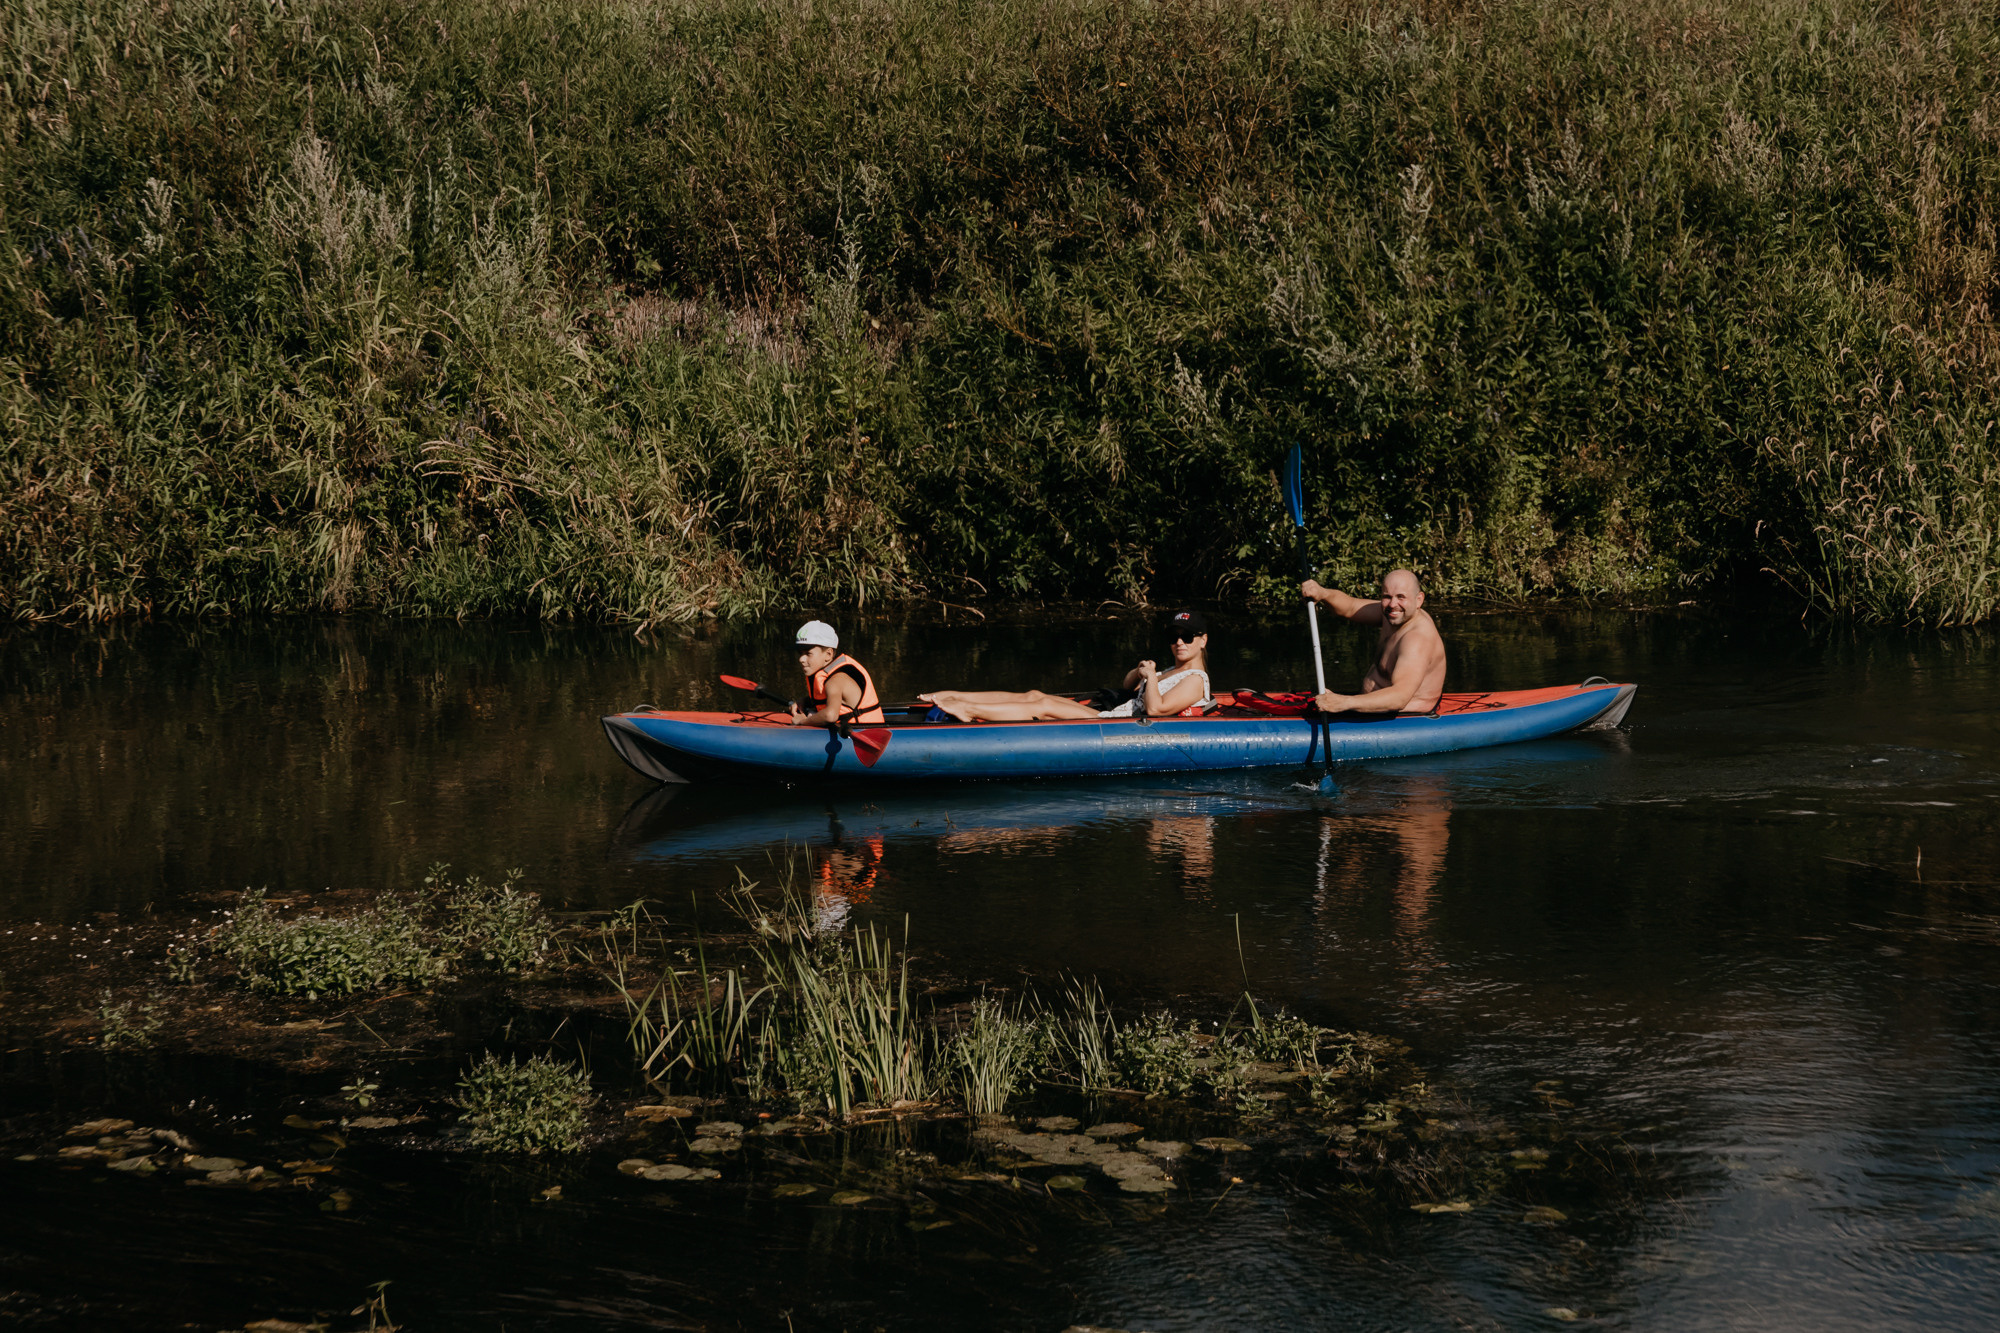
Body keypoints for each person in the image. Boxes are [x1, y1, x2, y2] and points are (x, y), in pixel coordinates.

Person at [920, 610, 1216, 722]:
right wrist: (1142, 671)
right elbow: (1128, 687)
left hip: (1117, 726)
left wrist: (1151, 676)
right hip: (1112, 714)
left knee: (1043, 705)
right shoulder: (1170, 670)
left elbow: (1156, 710)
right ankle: (956, 696)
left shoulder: (1195, 679)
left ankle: (968, 710)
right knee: (1035, 694)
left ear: (1202, 641)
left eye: (1187, 637)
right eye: (1174, 636)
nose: (1179, 642)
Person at [1300, 570, 1447, 715]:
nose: (1393, 604)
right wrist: (1323, 593)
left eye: (1401, 597)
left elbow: (1400, 697)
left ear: (1419, 600)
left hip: (1405, 716)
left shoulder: (1417, 639)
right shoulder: (1392, 613)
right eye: (1387, 597)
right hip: (1372, 708)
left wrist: (1343, 703)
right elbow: (1350, 607)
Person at [787, 621, 885, 726]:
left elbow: (830, 715)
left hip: (867, 731)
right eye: (800, 653)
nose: (801, 659)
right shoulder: (828, 676)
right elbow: (826, 698)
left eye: (808, 653)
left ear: (828, 654)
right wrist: (805, 701)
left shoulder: (835, 680)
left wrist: (802, 721)